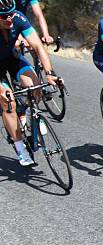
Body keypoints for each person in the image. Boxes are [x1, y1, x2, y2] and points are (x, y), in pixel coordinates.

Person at [0, 0, 59, 166]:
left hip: (12, 58)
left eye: (11, 13)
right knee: (8, 101)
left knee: (35, 84)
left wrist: (49, 73)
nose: (10, 18)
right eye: (4, 16)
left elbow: (38, 47)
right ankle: (20, 149)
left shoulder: (18, 17)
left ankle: (30, 114)